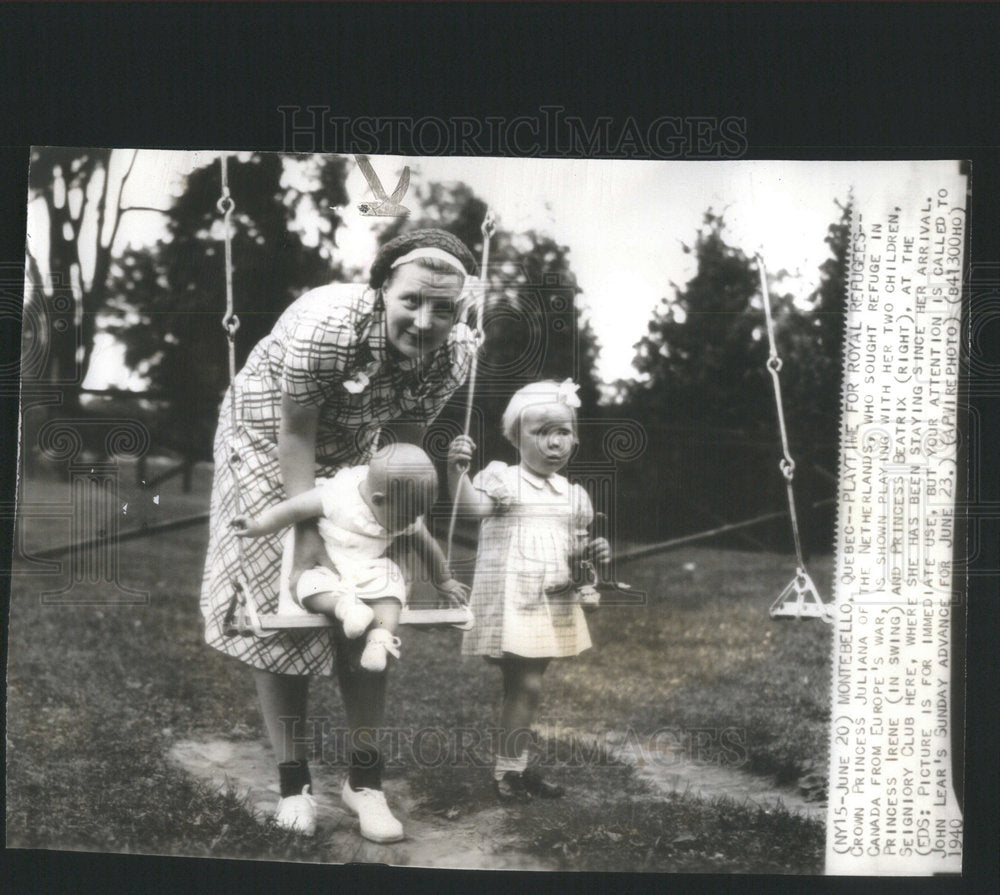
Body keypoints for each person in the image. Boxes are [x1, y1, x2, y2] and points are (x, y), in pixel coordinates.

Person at [200, 229, 478, 842]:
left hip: (360, 449)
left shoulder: (455, 354)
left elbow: (403, 443)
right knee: (289, 602)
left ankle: (365, 781)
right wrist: (305, 540)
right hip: (267, 437)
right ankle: (294, 782)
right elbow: (295, 435)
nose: (426, 320)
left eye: (445, 308)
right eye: (412, 301)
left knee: (375, 600)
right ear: (383, 289)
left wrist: (402, 527)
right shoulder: (327, 326)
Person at [446, 380, 611, 800]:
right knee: (528, 686)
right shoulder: (504, 479)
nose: (554, 442)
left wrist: (593, 553)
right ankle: (508, 772)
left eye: (564, 432)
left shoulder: (572, 495)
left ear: (576, 436)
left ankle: (513, 768)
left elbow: (578, 553)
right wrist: (456, 473)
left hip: (552, 598)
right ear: (515, 437)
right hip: (513, 600)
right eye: (541, 432)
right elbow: (470, 509)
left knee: (522, 687)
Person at [230, 443, 469, 672]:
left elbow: (426, 545)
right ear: (378, 500)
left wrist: (444, 580)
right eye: (408, 516)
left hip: (371, 566)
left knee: (393, 584)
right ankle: (346, 608)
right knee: (306, 585)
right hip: (328, 566)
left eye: (418, 514)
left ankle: (380, 639)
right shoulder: (337, 495)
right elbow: (293, 509)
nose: (412, 522)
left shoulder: (403, 507)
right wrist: (258, 525)